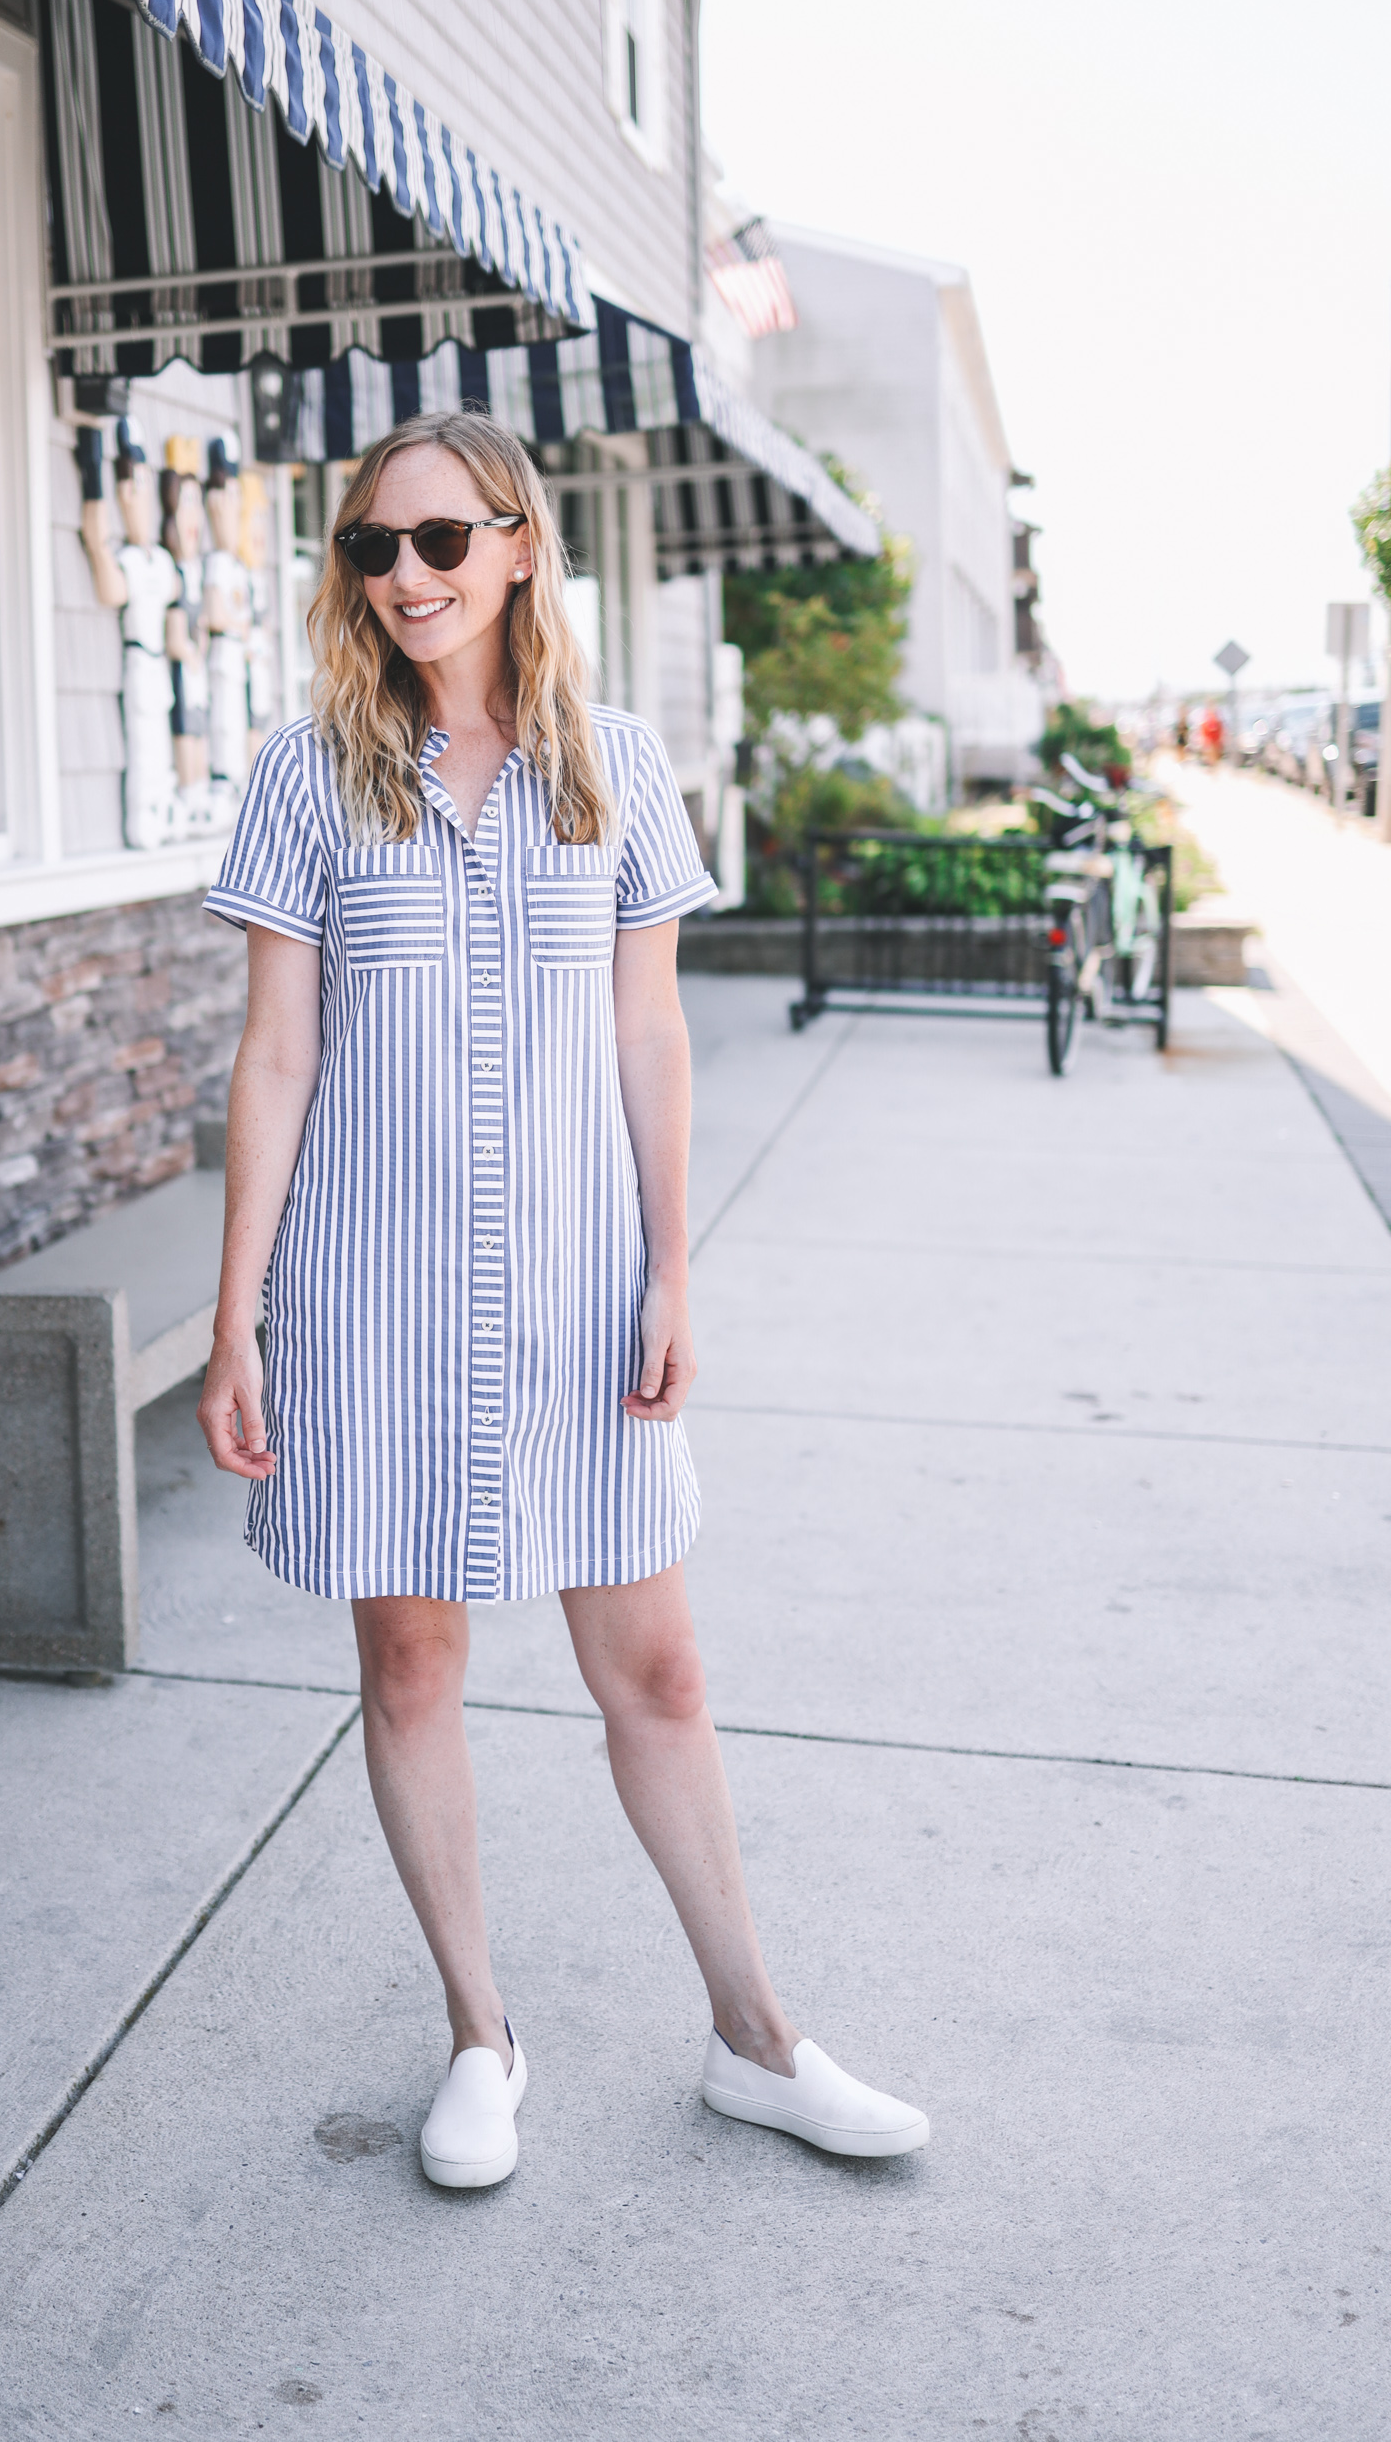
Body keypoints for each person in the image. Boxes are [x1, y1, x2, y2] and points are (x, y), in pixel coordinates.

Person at [197, 411, 928, 2187]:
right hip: (366, 1294)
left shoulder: (612, 763)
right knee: (411, 1662)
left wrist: (675, 1267)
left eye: (443, 541)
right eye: (373, 550)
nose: (407, 580)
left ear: (522, 545)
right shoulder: (309, 776)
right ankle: (478, 2035)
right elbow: (277, 1056)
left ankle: (758, 2037)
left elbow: (650, 1032)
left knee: (658, 1669)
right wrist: (237, 1321)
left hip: (581, 1289)